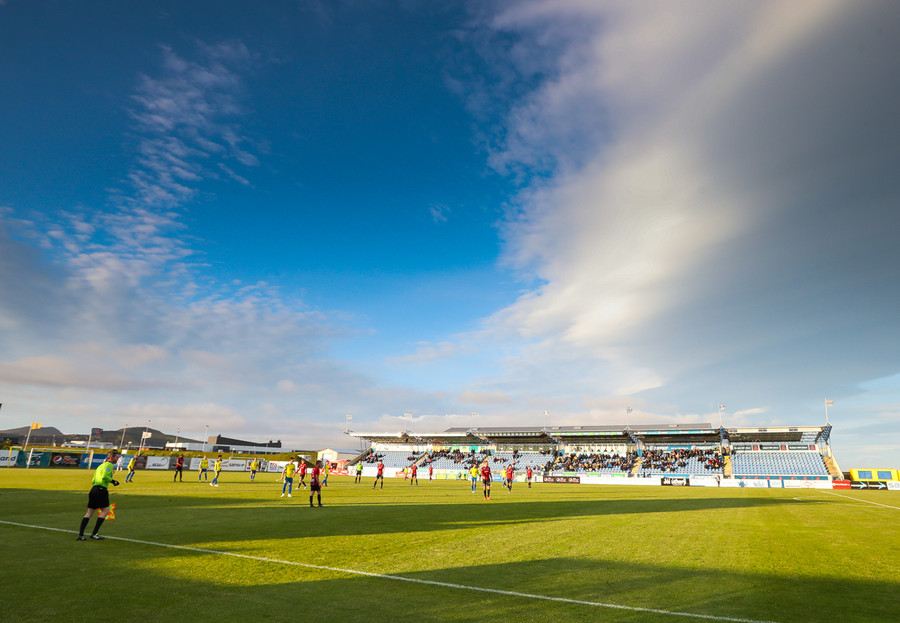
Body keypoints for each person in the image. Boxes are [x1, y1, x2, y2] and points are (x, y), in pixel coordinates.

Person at [76, 450, 120, 541]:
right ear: (111, 457)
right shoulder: (109, 465)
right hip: (101, 490)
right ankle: (94, 533)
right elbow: (104, 476)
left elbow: (93, 479)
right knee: (106, 510)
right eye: (116, 457)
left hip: (93, 489)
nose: (117, 459)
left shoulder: (101, 465)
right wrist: (113, 481)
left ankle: (80, 535)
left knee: (89, 513)